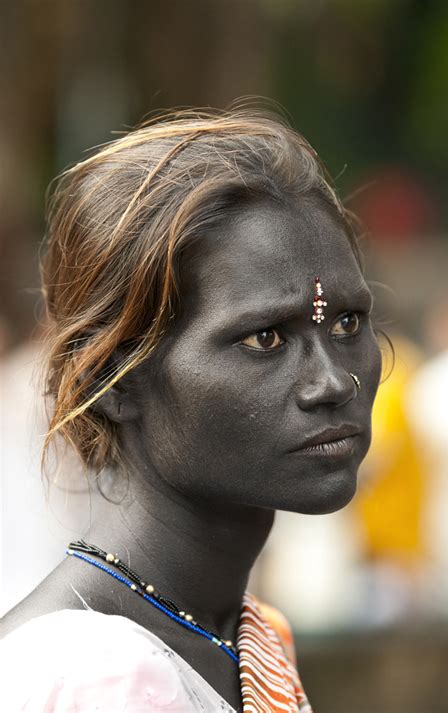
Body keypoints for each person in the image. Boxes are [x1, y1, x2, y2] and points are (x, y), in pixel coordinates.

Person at [0, 108, 382, 711]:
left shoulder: (239, 635)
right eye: (265, 339)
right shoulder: (98, 679)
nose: (333, 381)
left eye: (346, 322)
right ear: (114, 379)